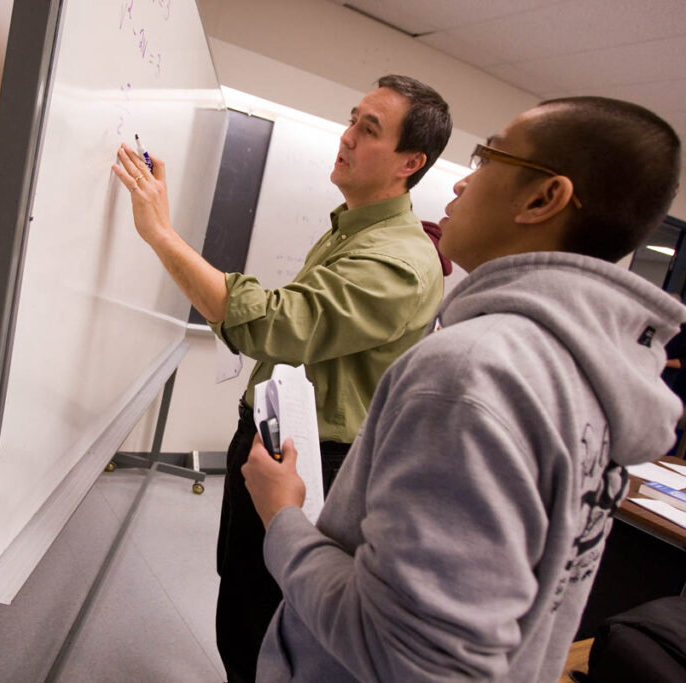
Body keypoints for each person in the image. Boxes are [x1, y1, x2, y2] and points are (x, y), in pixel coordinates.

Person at [241, 96, 685, 682]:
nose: (457, 187)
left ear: (543, 198)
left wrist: (283, 517)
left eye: (486, 158)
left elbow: (407, 657)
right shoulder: (586, 376)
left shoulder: (474, 372)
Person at [112, 75, 452, 682]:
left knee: (265, 615)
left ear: (410, 162)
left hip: (317, 459)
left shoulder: (397, 258)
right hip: (277, 440)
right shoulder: (354, 227)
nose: (345, 137)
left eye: (368, 129)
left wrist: (161, 233)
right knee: (240, 585)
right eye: (352, 119)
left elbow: (275, 325)